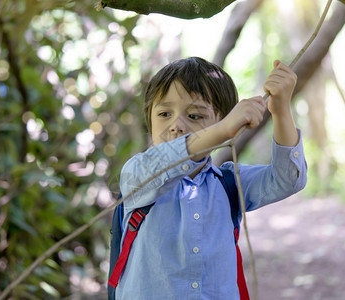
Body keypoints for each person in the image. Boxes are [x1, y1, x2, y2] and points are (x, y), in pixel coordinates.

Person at [116, 57, 307, 299]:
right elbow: (163, 162)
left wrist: (280, 110)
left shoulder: (228, 183)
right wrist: (221, 129)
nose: (176, 125)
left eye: (194, 116)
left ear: (227, 121)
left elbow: (288, 179)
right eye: (164, 113)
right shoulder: (137, 173)